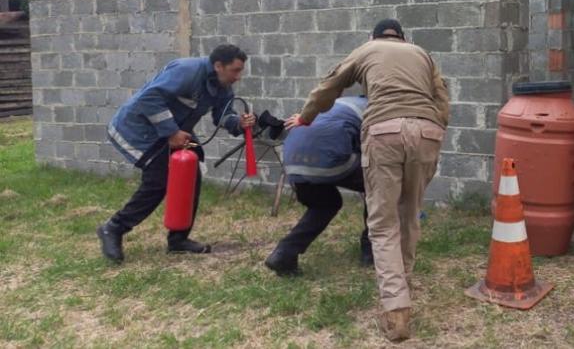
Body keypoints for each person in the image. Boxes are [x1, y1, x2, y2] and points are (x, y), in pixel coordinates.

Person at [285, 19, 448, 342]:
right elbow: (442, 101)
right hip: (428, 132)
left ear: (373, 37)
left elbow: (328, 86)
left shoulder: (367, 49)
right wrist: (434, 129)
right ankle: (404, 283)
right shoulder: (422, 54)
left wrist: (305, 117)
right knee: (409, 216)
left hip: (384, 131)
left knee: (383, 223)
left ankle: (397, 310)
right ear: (403, 37)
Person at [96, 44, 255, 263]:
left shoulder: (223, 85)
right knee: (159, 180)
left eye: (240, 71)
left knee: (191, 176)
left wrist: (239, 122)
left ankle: (178, 240)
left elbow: (223, 116)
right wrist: (171, 131)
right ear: (218, 65)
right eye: (235, 70)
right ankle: (112, 228)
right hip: (137, 128)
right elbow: (149, 98)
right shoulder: (187, 71)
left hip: (174, 131)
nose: (238, 77)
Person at [264, 96, 373, 276]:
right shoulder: (374, 109)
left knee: (325, 204)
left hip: (292, 162)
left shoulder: (337, 102)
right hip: (329, 157)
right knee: (379, 183)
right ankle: (371, 250)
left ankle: (284, 253)